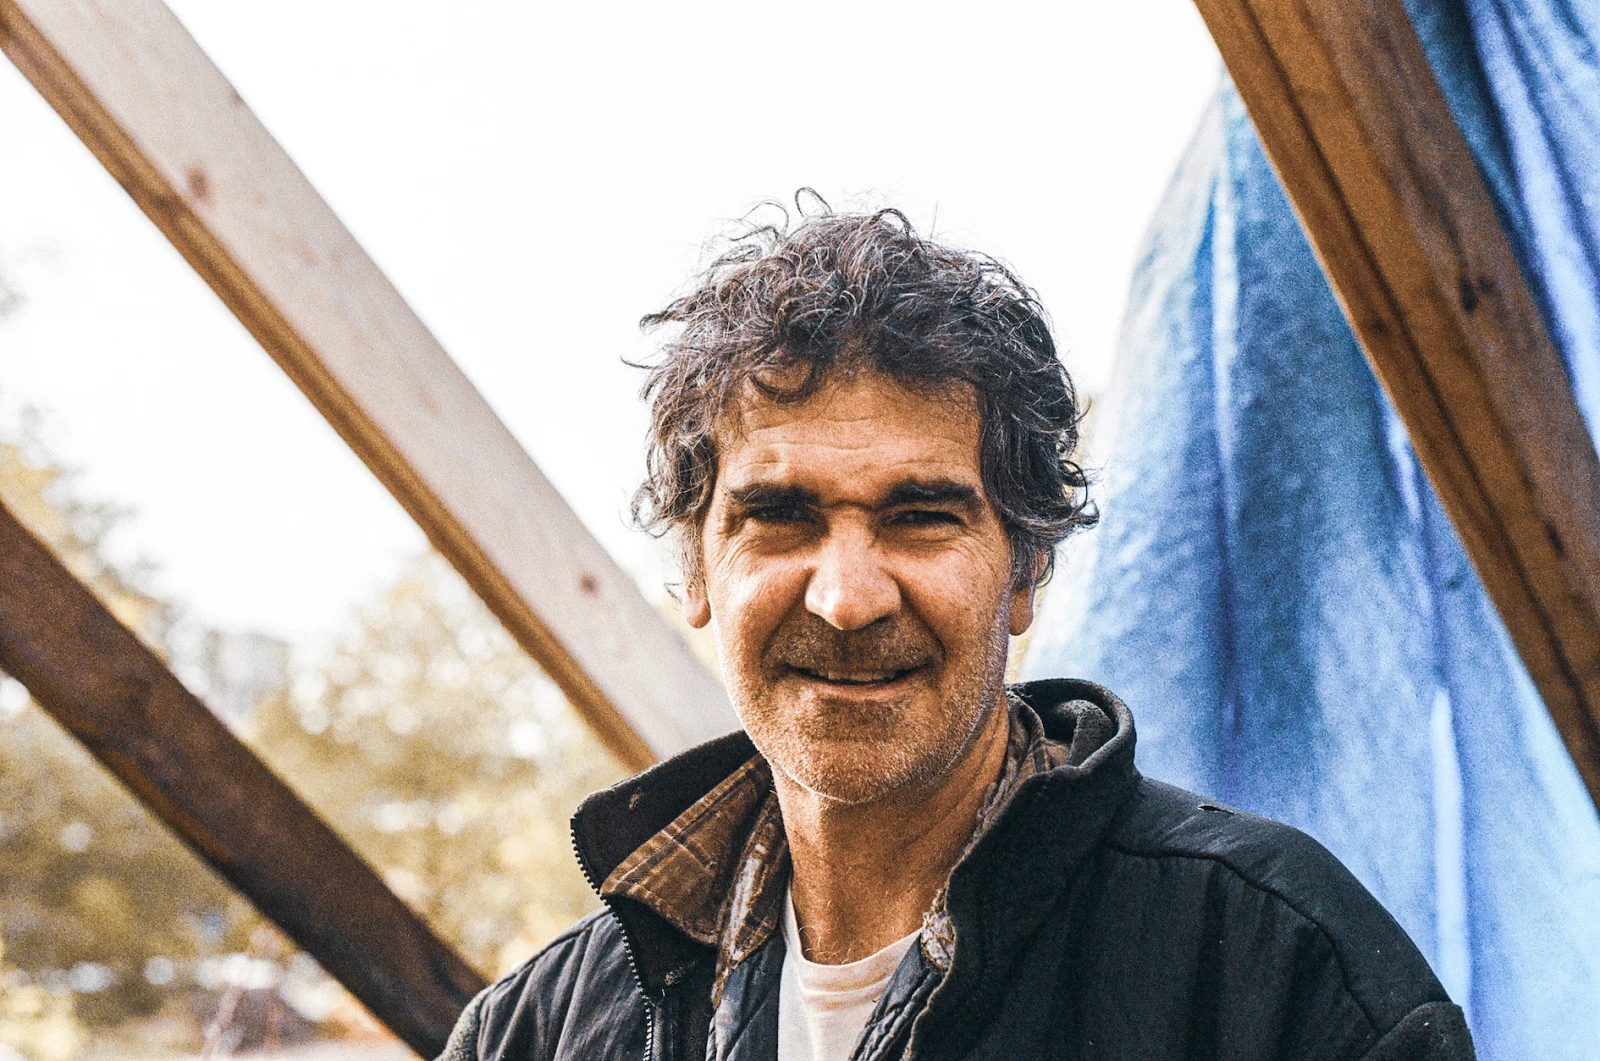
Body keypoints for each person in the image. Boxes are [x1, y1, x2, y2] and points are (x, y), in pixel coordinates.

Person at [436, 203, 1473, 1061]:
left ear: (1026, 571)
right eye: (781, 516)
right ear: (698, 570)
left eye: (921, 516)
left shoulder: (1277, 974)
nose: (847, 599)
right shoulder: (537, 1032)